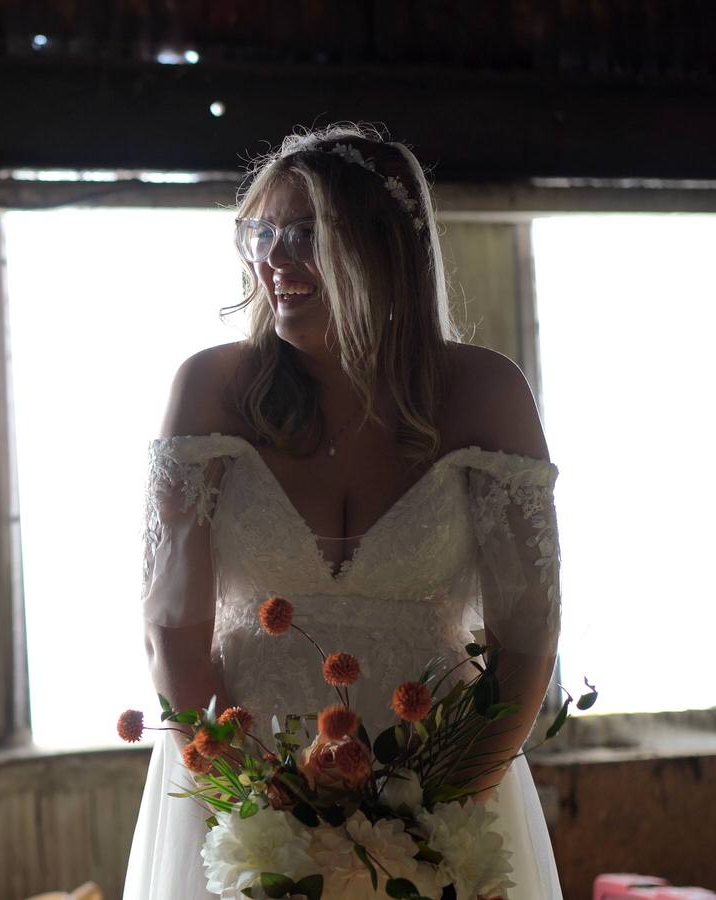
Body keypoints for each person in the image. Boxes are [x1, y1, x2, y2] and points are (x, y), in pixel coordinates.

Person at [123, 124, 562, 898]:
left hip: (445, 781)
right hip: (239, 774)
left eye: (305, 233)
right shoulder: (210, 389)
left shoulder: (484, 394)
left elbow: (527, 639)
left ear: (385, 245)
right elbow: (172, 627)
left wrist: (442, 812)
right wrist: (256, 805)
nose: (274, 259)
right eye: (260, 231)